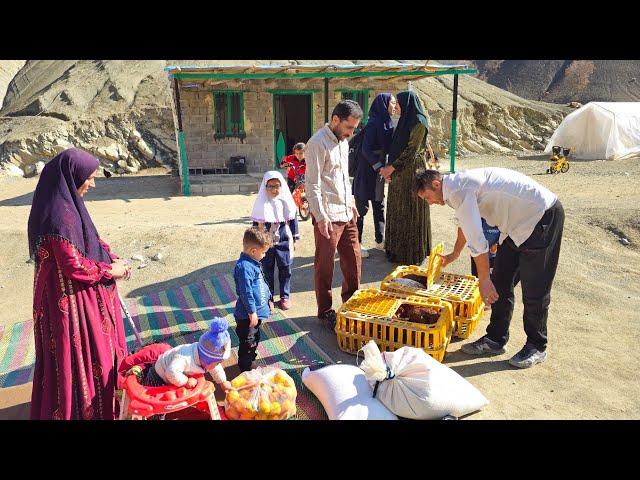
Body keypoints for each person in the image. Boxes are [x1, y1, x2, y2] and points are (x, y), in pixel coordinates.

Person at [413, 167, 564, 368]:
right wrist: (455, 254)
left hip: (541, 217)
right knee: (500, 279)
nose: (430, 203)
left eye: (428, 198)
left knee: (535, 288)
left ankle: (537, 345)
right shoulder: (453, 189)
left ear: (436, 184)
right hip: (514, 226)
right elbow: (465, 224)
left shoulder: (458, 189)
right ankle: (495, 339)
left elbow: (477, 240)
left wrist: (483, 279)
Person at [27, 148, 131, 420]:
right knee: (77, 356)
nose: (92, 184)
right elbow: (73, 265)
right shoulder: (59, 216)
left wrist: (111, 257)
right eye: (89, 177)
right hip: (69, 304)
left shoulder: (67, 205)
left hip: (75, 294)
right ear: (73, 177)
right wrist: (111, 271)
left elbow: (91, 241)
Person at [305, 99, 363, 330]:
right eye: (349, 127)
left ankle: (351, 304)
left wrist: (351, 202)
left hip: (346, 212)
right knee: (325, 265)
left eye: (354, 129)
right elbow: (313, 184)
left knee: (353, 261)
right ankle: (325, 310)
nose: (350, 133)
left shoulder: (343, 142)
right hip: (327, 215)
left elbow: (342, 178)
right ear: (335, 120)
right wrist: (320, 216)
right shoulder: (317, 143)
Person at [379, 91, 431, 265]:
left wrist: (390, 168)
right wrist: (392, 167)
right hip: (400, 171)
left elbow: (412, 151)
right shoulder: (405, 120)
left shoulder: (419, 122)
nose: (397, 107)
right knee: (398, 208)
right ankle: (396, 250)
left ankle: (411, 252)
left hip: (413, 172)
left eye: (399, 104)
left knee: (410, 210)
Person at [352, 93, 397, 258]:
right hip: (366, 171)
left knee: (379, 204)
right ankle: (357, 243)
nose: (394, 106)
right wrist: (380, 167)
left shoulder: (387, 122)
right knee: (361, 208)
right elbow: (366, 150)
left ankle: (380, 240)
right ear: (384, 104)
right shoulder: (373, 123)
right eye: (392, 103)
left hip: (378, 170)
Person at [251, 171, 300, 310]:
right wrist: (256, 244)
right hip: (266, 245)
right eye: (270, 186)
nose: (274, 189)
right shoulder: (261, 203)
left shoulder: (286, 201)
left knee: (285, 268)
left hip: (283, 241)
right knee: (267, 270)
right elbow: (255, 225)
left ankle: (285, 296)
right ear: (265, 187)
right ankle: (269, 297)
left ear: (282, 186)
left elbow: (292, 220)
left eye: (277, 186)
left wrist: (295, 239)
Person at [140, 318, 233, 391]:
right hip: (158, 377)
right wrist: (186, 381)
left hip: (178, 373)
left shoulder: (205, 358)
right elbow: (171, 372)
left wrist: (223, 382)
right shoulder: (184, 358)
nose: (218, 365)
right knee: (160, 404)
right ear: (207, 361)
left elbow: (215, 367)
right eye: (217, 363)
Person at [233, 227, 273, 372]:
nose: (264, 256)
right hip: (247, 316)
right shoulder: (244, 267)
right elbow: (246, 292)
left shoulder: (253, 263)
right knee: (248, 342)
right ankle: (245, 368)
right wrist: (252, 312)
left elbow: (262, 282)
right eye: (263, 252)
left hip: (256, 313)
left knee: (254, 338)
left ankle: (250, 361)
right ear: (253, 251)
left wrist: (269, 299)